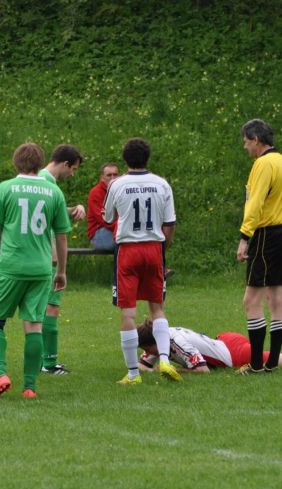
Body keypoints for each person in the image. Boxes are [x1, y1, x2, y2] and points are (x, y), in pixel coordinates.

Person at [0, 142, 71, 399]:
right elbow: (62, 236)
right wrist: (61, 271)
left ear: (16, 162)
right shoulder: (52, 192)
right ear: (40, 163)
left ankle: (0, 374)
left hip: (11, 266)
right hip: (41, 268)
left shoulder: (6, 188)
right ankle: (30, 387)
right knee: (34, 325)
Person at [103, 138, 180, 384]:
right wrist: (162, 249)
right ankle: (166, 360)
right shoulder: (161, 184)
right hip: (153, 248)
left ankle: (134, 373)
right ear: (147, 158)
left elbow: (107, 216)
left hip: (128, 249)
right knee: (157, 308)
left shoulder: (117, 184)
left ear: (125, 160)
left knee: (128, 313)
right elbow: (170, 223)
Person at [235, 119, 282, 376]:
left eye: (246, 141)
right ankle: (272, 362)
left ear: (256, 140)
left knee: (251, 300)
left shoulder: (263, 164)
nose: (245, 146)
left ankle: (257, 365)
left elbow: (256, 203)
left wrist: (244, 237)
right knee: (277, 299)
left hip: (266, 235)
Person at [135, 320, 282, 372]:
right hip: (224, 339)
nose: (150, 354)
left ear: (156, 343)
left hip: (235, 353)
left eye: (149, 350)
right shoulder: (162, 338)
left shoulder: (177, 343)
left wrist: (166, 370)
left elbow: (203, 371)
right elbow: (143, 365)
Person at [37, 144, 85, 375]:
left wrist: (70, 209)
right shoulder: (48, 184)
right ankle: (48, 363)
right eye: (73, 169)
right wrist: (55, 252)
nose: (72, 174)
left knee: (38, 311)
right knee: (51, 308)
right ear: (65, 164)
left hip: (34, 254)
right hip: (46, 255)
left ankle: (40, 361)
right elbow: (52, 226)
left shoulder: (40, 179)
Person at [87, 163, 120, 250]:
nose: (113, 178)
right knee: (125, 243)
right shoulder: (95, 193)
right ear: (102, 178)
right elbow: (105, 220)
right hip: (99, 232)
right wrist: (124, 228)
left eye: (115, 175)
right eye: (109, 175)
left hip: (117, 229)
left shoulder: (122, 190)